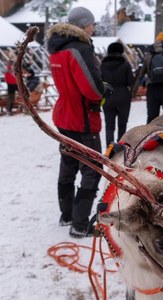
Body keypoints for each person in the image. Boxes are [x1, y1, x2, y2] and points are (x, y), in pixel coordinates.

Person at [47, 6, 111, 238]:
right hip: (82, 118)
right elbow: (92, 89)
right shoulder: (80, 48)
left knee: (68, 165)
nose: (94, 28)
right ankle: (80, 224)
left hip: (64, 115)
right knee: (92, 169)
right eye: (92, 24)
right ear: (83, 25)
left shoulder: (57, 49)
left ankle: (67, 215)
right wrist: (104, 90)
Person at [100, 42, 135, 146]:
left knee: (109, 125)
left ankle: (109, 147)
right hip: (123, 96)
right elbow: (130, 81)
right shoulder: (125, 64)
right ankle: (120, 146)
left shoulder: (102, 65)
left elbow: (99, 81)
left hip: (107, 96)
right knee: (122, 124)